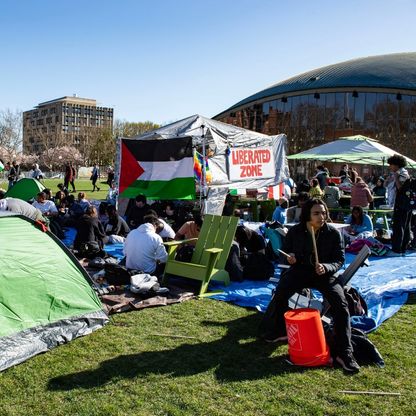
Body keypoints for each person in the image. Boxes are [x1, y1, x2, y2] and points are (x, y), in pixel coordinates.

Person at [259, 198, 360, 373]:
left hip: (324, 275)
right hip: (301, 270)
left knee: (340, 304)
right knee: (281, 291)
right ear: (307, 215)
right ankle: (281, 330)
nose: (321, 216)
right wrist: (290, 257)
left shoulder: (333, 233)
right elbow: (286, 251)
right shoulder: (296, 231)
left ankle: (344, 352)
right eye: (316, 213)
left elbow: (339, 259)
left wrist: (326, 267)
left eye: (323, 213)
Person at [387, 154, 411, 255]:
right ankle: (402, 248)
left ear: (396, 164)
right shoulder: (398, 173)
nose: (390, 166)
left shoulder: (402, 174)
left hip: (402, 204)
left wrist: (396, 178)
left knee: (399, 226)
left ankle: (397, 249)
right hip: (403, 204)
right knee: (404, 226)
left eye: (391, 164)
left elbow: (401, 189)